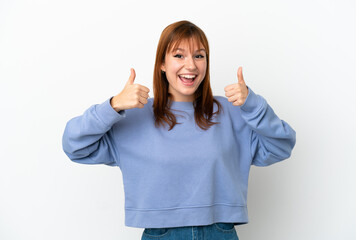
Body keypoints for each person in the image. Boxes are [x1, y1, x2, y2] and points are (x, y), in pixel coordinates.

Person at [62, 20, 296, 240]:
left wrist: (253, 104)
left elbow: (282, 145)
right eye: (179, 55)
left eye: (199, 56)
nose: (191, 65)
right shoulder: (134, 116)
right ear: (162, 64)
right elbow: (75, 146)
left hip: (219, 231)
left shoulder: (233, 111)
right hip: (160, 233)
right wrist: (112, 106)